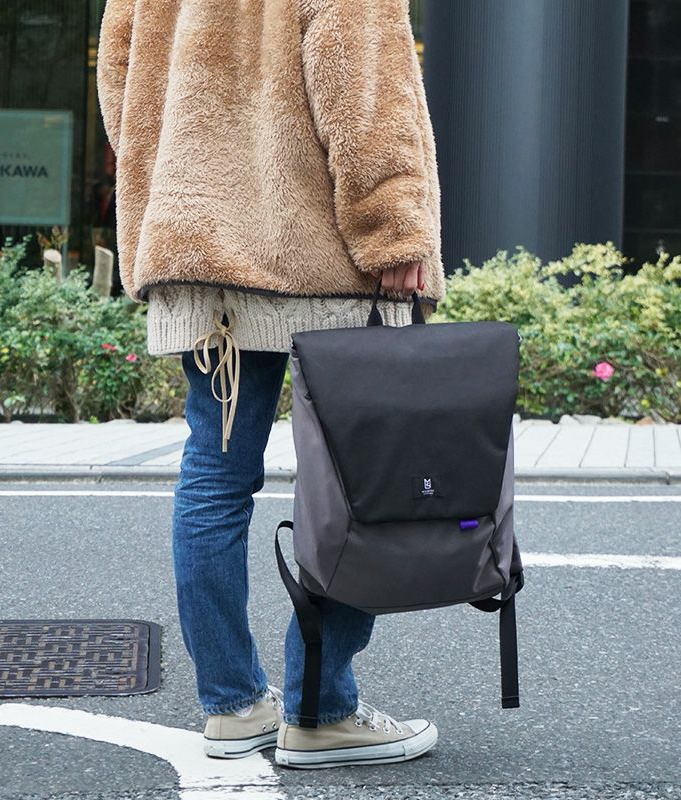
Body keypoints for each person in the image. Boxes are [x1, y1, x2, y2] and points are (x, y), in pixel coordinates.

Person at [97, 0, 446, 769]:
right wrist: (395, 228)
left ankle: (231, 706)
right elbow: (363, 80)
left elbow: (120, 73)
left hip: (198, 245)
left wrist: (176, 179)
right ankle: (321, 710)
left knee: (214, 477)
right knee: (360, 483)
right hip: (323, 253)